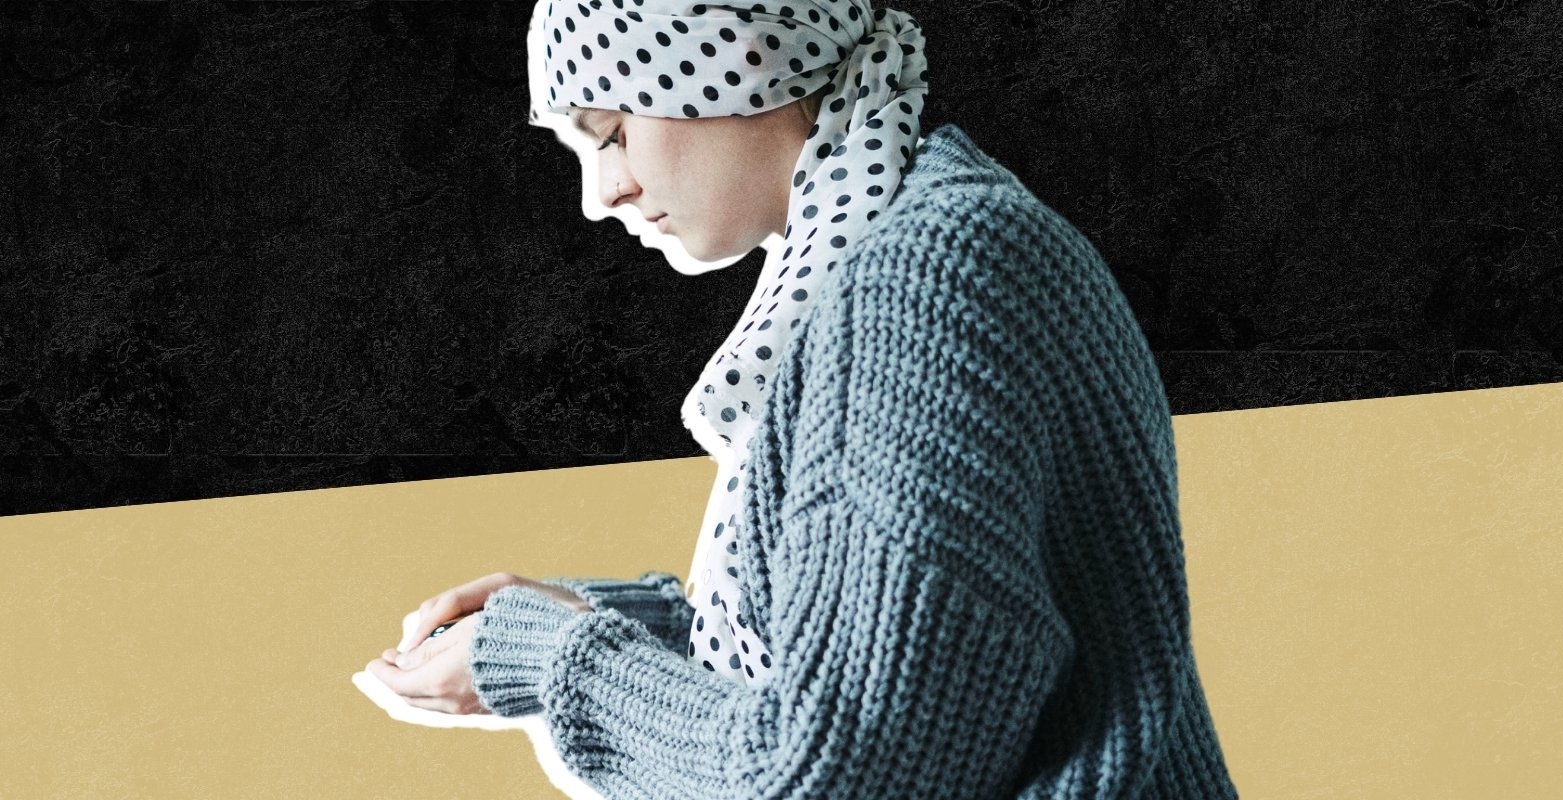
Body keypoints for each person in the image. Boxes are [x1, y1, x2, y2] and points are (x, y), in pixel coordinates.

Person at [365, 0, 1241, 797]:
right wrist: (596, 623)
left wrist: (558, 657)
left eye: (615, 131)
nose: (604, 193)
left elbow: (844, 776)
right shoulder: (934, 235)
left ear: (732, 60)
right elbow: (891, 674)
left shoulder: (923, 279)